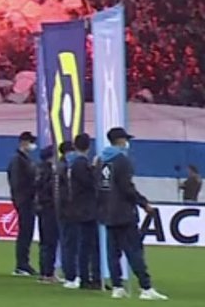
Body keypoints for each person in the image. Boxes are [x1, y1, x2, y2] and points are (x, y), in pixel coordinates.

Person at [98, 126, 164, 300]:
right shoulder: (122, 160)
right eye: (125, 139)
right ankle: (146, 288)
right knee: (134, 251)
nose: (127, 143)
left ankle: (117, 287)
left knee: (113, 253)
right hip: (124, 213)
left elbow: (100, 188)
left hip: (107, 213)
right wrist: (143, 203)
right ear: (120, 140)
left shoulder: (100, 160)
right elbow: (127, 188)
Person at [62, 133, 102, 291]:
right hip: (86, 210)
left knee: (85, 245)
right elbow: (91, 184)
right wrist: (95, 169)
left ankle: (88, 277)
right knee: (89, 246)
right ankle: (89, 278)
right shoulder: (81, 164)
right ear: (88, 146)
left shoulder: (74, 164)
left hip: (80, 209)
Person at [10, 130, 39, 277]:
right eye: (30, 142)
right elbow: (17, 183)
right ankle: (21, 264)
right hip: (25, 201)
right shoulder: (18, 160)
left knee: (27, 232)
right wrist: (22, 199)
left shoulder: (24, 159)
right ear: (24, 142)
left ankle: (24, 263)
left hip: (27, 200)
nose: (33, 145)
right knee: (24, 232)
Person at [35, 145, 60, 282]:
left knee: (45, 241)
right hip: (50, 208)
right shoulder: (49, 172)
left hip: (41, 208)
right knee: (51, 241)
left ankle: (44, 272)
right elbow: (50, 190)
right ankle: (48, 273)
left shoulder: (38, 170)